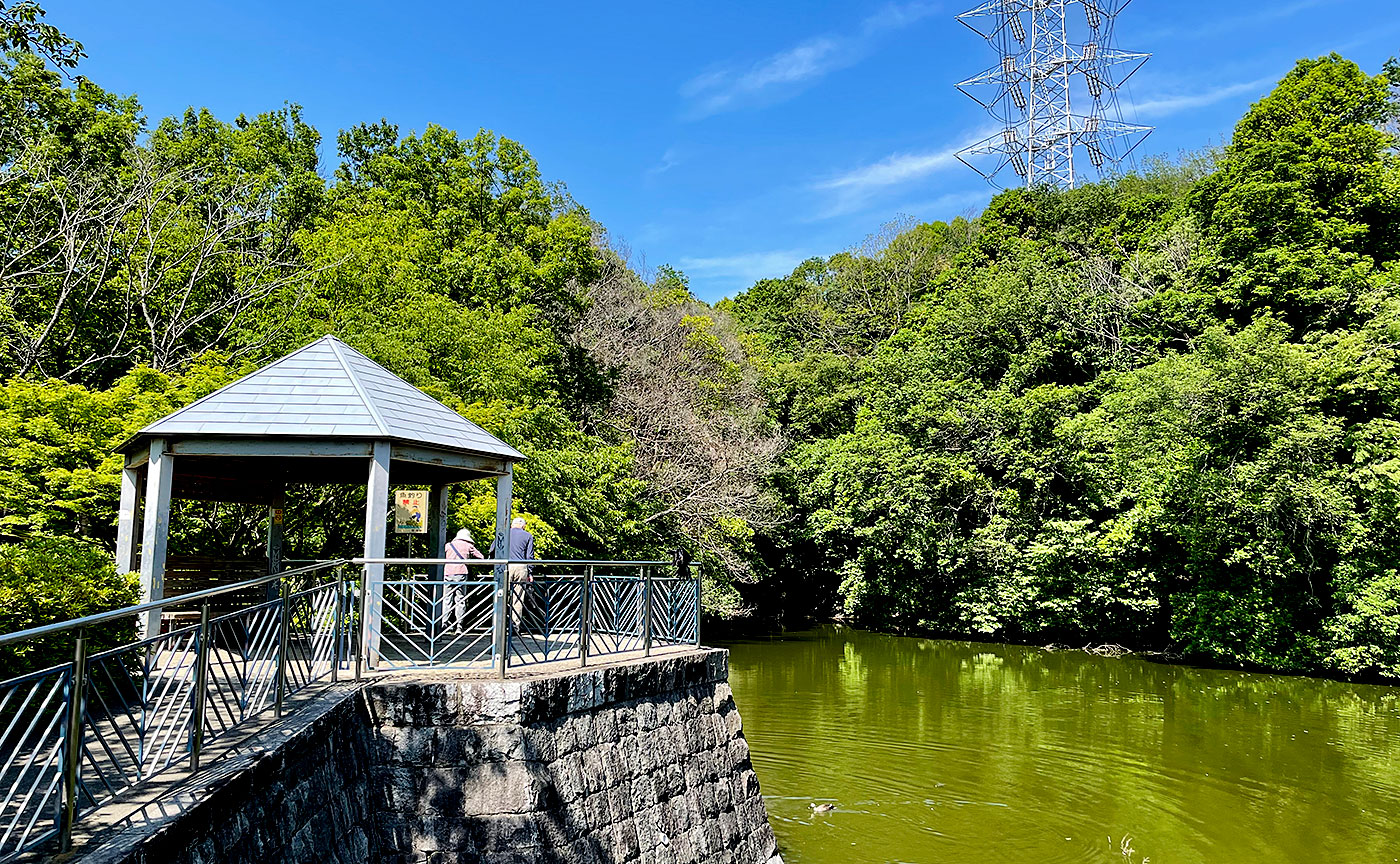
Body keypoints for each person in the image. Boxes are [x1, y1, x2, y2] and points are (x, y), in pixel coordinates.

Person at [443, 528, 483, 633]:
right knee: (460, 600)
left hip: (447, 573)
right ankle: (459, 626)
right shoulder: (468, 546)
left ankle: (444, 623)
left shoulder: (448, 545)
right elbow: (481, 557)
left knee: (447, 599)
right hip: (461, 573)